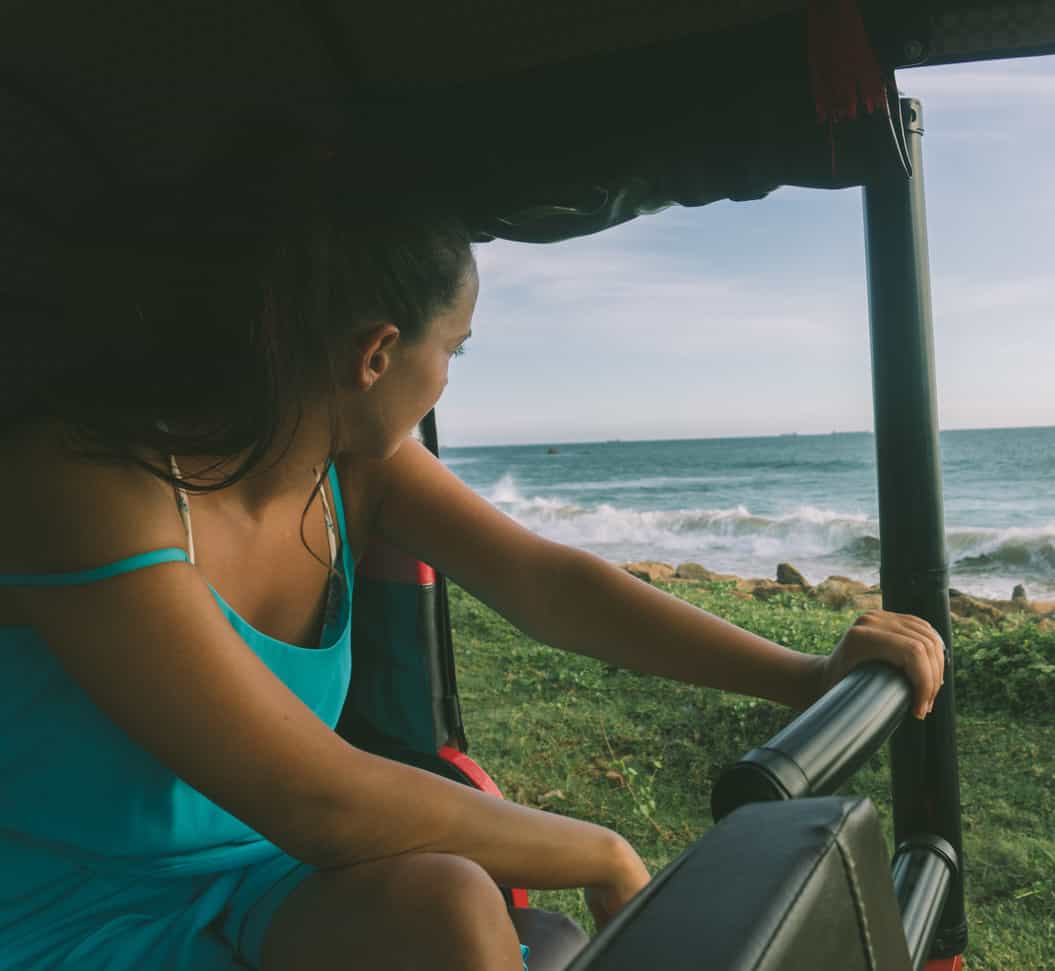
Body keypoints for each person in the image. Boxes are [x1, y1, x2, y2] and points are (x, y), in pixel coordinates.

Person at [0, 134, 945, 971]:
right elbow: (317, 799)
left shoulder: (354, 465)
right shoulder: (84, 485)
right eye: (453, 348)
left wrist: (804, 676)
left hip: (263, 881)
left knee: (452, 905)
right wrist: (603, 851)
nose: (447, 372)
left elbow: (548, 583)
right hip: (66, 907)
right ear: (376, 353)